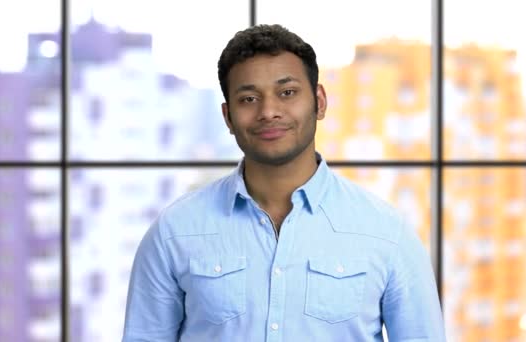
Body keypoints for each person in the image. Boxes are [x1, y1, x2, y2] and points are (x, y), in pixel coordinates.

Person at [122, 24, 446, 341]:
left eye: (287, 92)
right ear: (227, 117)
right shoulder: (174, 231)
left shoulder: (385, 232)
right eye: (248, 99)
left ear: (319, 101)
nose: (269, 111)